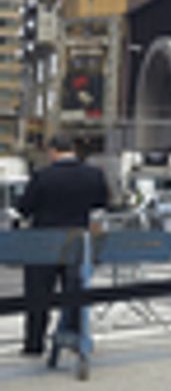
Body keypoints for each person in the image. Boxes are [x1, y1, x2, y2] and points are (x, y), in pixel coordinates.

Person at [16, 135, 111, 356]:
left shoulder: (42, 176)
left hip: (44, 245)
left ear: (53, 151)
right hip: (78, 244)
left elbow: (24, 208)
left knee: (38, 294)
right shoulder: (94, 175)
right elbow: (102, 204)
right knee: (75, 291)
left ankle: (34, 343)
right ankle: (74, 336)